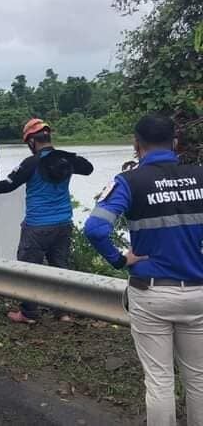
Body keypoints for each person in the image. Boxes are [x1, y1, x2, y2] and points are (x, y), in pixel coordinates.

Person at [84, 114, 203, 426]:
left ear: (137, 145)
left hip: (152, 293)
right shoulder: (200, 176)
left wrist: (119, 260)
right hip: (198, 294)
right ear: (175, 143)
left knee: (160, 381)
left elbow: (95, 228)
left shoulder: (130, 181)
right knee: (199, 379)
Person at [0, 118, 93, 324]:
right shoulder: (66, 160)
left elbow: (8, 185)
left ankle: (28, 313)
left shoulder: (31, 163)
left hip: (38, 226)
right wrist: (71, 157)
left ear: (31, 142)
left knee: (28, 269)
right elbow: (88, 168)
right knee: (59, 267)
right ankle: (62, 312)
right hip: (64, 224)